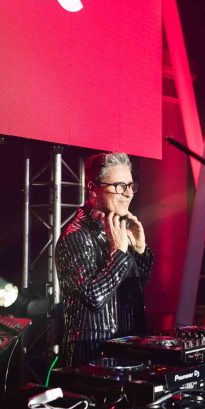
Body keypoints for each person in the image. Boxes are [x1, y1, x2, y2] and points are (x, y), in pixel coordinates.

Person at [55, 152, 153, 366]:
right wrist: (118, 253)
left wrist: (140, 250)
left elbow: (136, 293)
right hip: (92, 355)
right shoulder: (76, 235)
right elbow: (93, 297)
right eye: (119, 185)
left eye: (130, 186)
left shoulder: (120, 229)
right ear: (92, 188)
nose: (128, 194)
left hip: (128, 349)